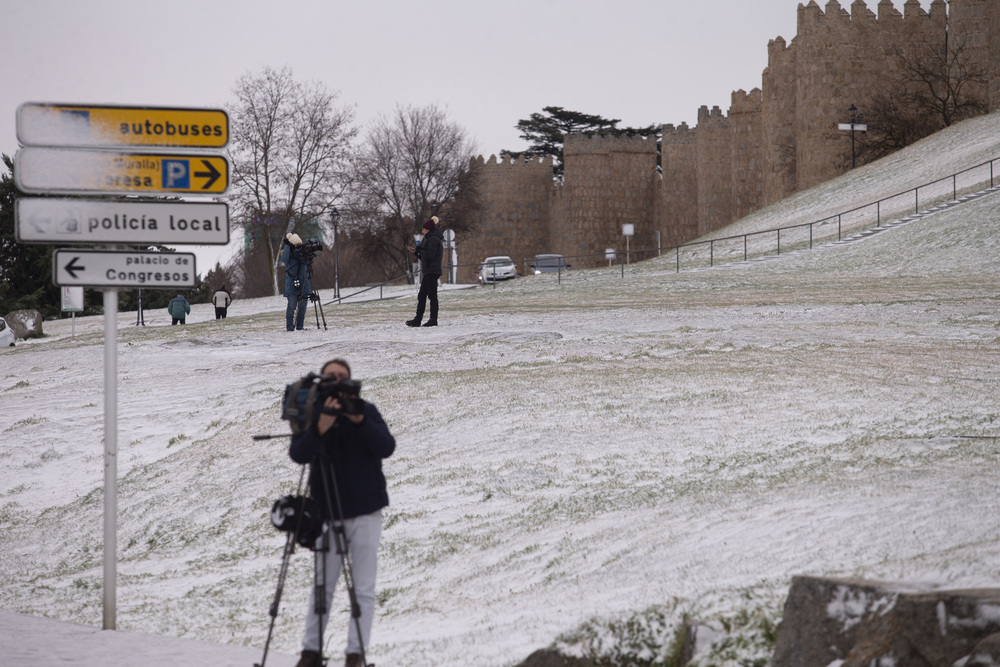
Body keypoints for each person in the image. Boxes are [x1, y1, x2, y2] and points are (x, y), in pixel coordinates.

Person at [289, 358, 396, 667]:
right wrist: (320, 428)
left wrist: (359, 421)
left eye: (342, 377)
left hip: (366, 511)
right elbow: (298, 454)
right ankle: (311, 651)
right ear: (321, 381)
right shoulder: (313, 413)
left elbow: (386, 446)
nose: (337, 382)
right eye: (331, 377)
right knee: (323, 587)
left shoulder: (365, 410)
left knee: (363, 588)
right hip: (327, 513)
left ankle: (355, 654)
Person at [405, 216, 443, 327]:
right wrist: (416, 252)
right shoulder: (431, 239)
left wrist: (420, 250)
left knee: (431, 296)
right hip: (429, 271)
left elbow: (430, 255)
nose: (422, 231)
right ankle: (418, 319)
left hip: (432, 271)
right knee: (422, 296)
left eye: (423, 229)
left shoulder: (433, 240)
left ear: (428, 230)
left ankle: (433, 319)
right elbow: (425, 256)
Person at [281, 233, 312, 331]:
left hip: (304, 282)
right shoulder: (288, 255)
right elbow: (284, 259)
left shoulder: (302, 254)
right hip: (291, 284)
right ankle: (289, 327)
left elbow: (307, 261)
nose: (298, 247)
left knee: (302, 307)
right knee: (292, 306)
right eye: (296, 244)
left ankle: (300, 326)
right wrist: (287, 246)